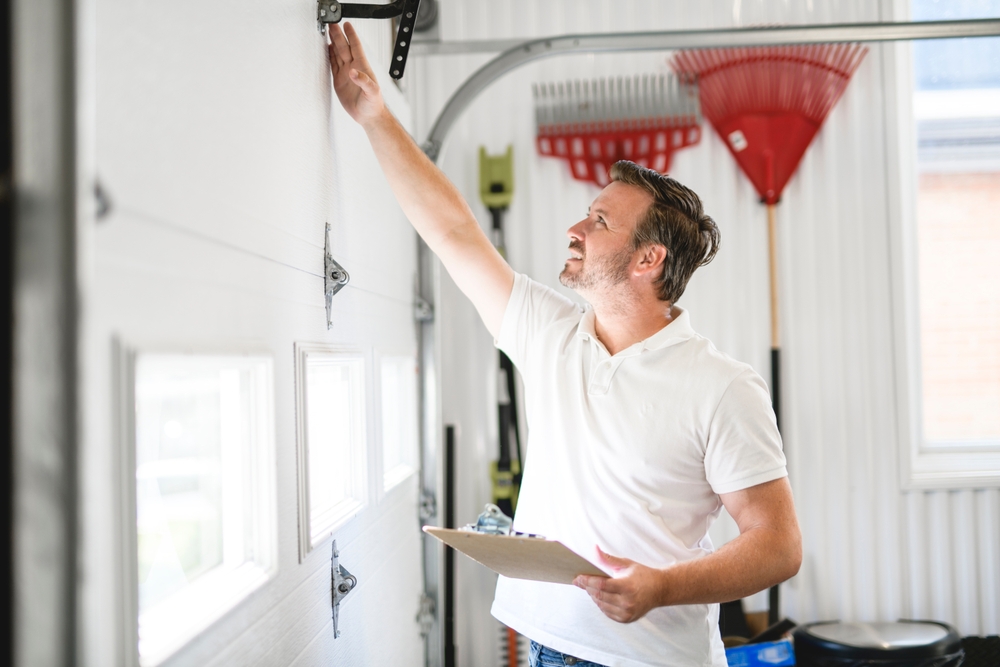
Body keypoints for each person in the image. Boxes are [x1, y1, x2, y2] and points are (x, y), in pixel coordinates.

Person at [328, 22, 802, 667]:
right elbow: (454, 233)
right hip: (545, 640)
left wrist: (662, 587)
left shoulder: (721, 385)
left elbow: (776, 545)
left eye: (600, 221)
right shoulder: (551, 331)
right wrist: (374, 116)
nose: (576, 228)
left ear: (647, 260)